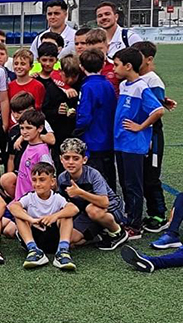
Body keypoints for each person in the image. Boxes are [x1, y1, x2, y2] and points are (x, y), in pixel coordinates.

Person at [112, 47, 164, 235]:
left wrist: (140, 126)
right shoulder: (125, 84)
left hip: (133, 145)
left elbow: (158, 110)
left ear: (128, 66)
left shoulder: (141, 86)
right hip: (121, 142)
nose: (114, 69)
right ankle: (130, 217)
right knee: (126, 182)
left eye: (116, 65)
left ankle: (135, 225)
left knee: (134, 184)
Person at [56, 138, 128, 251]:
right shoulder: (62, 178)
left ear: (84, 160)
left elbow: (104, 202)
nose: (70, 162)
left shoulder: (93, 174)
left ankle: (118, 232)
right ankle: (98, 232)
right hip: (86, 211)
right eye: (66, 158)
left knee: (93, 210)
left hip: (110, 207)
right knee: (70, 239)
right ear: (61, 159)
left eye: (75, 158)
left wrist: (80, 192)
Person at [9, 162, 79, 271]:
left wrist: (54, 217)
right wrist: (31, 220)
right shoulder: (30, 197)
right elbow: (13, 207)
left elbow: (74, 209)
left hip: (53, 238)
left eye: (42, 180)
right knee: (20, 215)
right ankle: (33, 250)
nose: (37, 184)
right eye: (34, 180)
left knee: (66, 215)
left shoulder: (57, 198)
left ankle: (62, 252)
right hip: (34, 237)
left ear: (52, 182)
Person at [135, 40, 171, 231]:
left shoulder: (153, 80)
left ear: (148, 59)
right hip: (138, 134)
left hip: (152, 136)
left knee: (151, 176)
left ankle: (158, 214)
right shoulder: (135, 78)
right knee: (139, 175)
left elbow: (155, 109)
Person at [74, 49, 116, 189]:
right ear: (103, 65)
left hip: (92, 141)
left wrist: (76, 130)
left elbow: (85, 116)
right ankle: (113, 207)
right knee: (109, 177)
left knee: (95, 180)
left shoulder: (87, 87)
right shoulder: (108, 84)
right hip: (108, 139)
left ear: (81, 67)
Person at [0, 109, 53, 200]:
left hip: (32, 201)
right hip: (20, 199)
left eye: (28, 128)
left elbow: (48, 180)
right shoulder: (29, 146)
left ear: (40, 128)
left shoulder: (42, 151)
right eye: (22, 128)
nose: (24, 132)